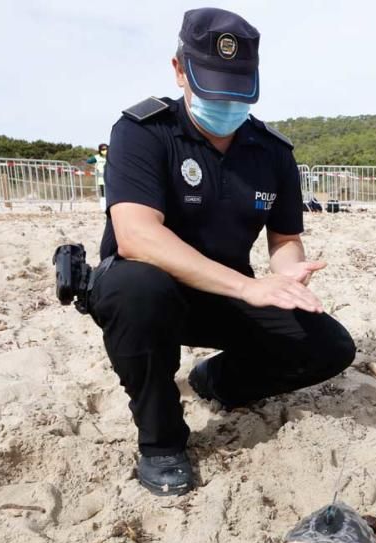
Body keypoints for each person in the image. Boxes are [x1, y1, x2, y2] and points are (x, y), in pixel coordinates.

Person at [87, 8, 356, 496]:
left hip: (224, 290)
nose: (226, 102)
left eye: (238, 88)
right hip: (148, 288)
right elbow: (136, 236)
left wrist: (289, 276)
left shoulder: (272, 152)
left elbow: (283, 238)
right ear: (179, 70)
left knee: (329, 347)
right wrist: (250, 287)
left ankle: (217, 380)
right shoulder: (144, 131)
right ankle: (162, 440)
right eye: (212, 85)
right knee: (137, 288)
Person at [86, 143, 108, 211]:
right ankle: (104, 207)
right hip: (102, 179)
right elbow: (89, 161)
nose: (105, 151)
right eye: (103, 149)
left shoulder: (111, 157)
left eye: (106, 149)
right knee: (103, 194)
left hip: (111, 179)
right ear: (100, 150)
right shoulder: (97, 157)